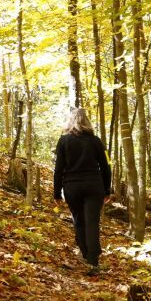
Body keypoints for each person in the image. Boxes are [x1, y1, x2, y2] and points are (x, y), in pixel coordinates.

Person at [52, 107, 113, 272]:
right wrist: (107, 189)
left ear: (70, 121)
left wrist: (56, 193)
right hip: (94, 186)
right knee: (92, 222)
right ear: (86, 121)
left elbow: (58, 169)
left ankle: (86, 254)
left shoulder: (63, 141)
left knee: (79, 220)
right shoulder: (96, 141)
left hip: (72, 187)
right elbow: (107, 166)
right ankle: (93, 260)